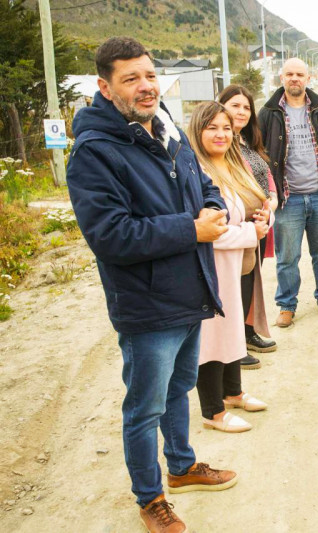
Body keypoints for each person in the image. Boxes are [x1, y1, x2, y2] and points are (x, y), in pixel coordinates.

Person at [66, 37, 236, 532]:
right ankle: (150, 497)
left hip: (188, 292)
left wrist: (214, 208)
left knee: (180, 388)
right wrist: (192, 229)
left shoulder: (166, 129)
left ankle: (181, 467)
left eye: (149, 75)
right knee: (144, 407)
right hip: (146, 303)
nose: (145, 87)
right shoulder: (95, 151)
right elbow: (111, 236)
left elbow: (201, 185)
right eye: (131, 79)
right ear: (104, 86)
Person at [186, 101, 275, 433]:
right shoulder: (194, 172)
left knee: (234, 329)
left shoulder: (234, 164)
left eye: (226, 127)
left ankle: (233, 393)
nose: (221, 134)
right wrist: (251, 232)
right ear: (198, 130)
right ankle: (213, 411)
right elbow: (206, 230)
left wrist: (264, 218)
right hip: (210, 268)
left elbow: (258, 202)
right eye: (212, 128)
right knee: (212, 336)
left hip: (239, 263)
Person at [258, 58, 318, 327]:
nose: (294, 78)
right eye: (289, 74)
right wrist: (270, 193)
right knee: (287, 258)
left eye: (299, 74)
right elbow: (259, 154)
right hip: (288, 200)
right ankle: (286, 305)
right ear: (281, 78)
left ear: (308, 78)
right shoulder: (268, 113)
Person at [218, 84, 277, 370]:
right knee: (234, 284)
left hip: (259, 224)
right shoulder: (220, 143)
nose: (241, 112)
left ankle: (247, 331)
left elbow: (267, 178)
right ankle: (234, 344)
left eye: (245, 107)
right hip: (236, 226)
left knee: (252, 281)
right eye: (234, 105)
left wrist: (272, 203)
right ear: (221, 107)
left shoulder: (247, 142)